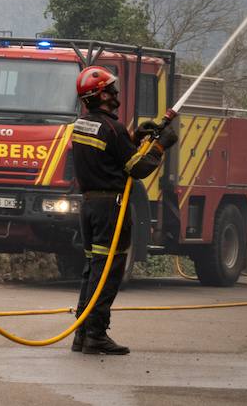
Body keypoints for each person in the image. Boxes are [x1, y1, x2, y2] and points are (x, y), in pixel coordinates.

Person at [69, 64, 177, 356]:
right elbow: (137, 168)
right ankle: (96, 335)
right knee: (109, 271)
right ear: (100, 95)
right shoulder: (113, 128)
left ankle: (81, 333)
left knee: (92, 270)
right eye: (111, 89)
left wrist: (136, 137)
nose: (116, 93)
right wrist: (160, 147)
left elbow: (108, 155)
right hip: (110, 209)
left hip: (89, 207)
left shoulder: (82, 124)